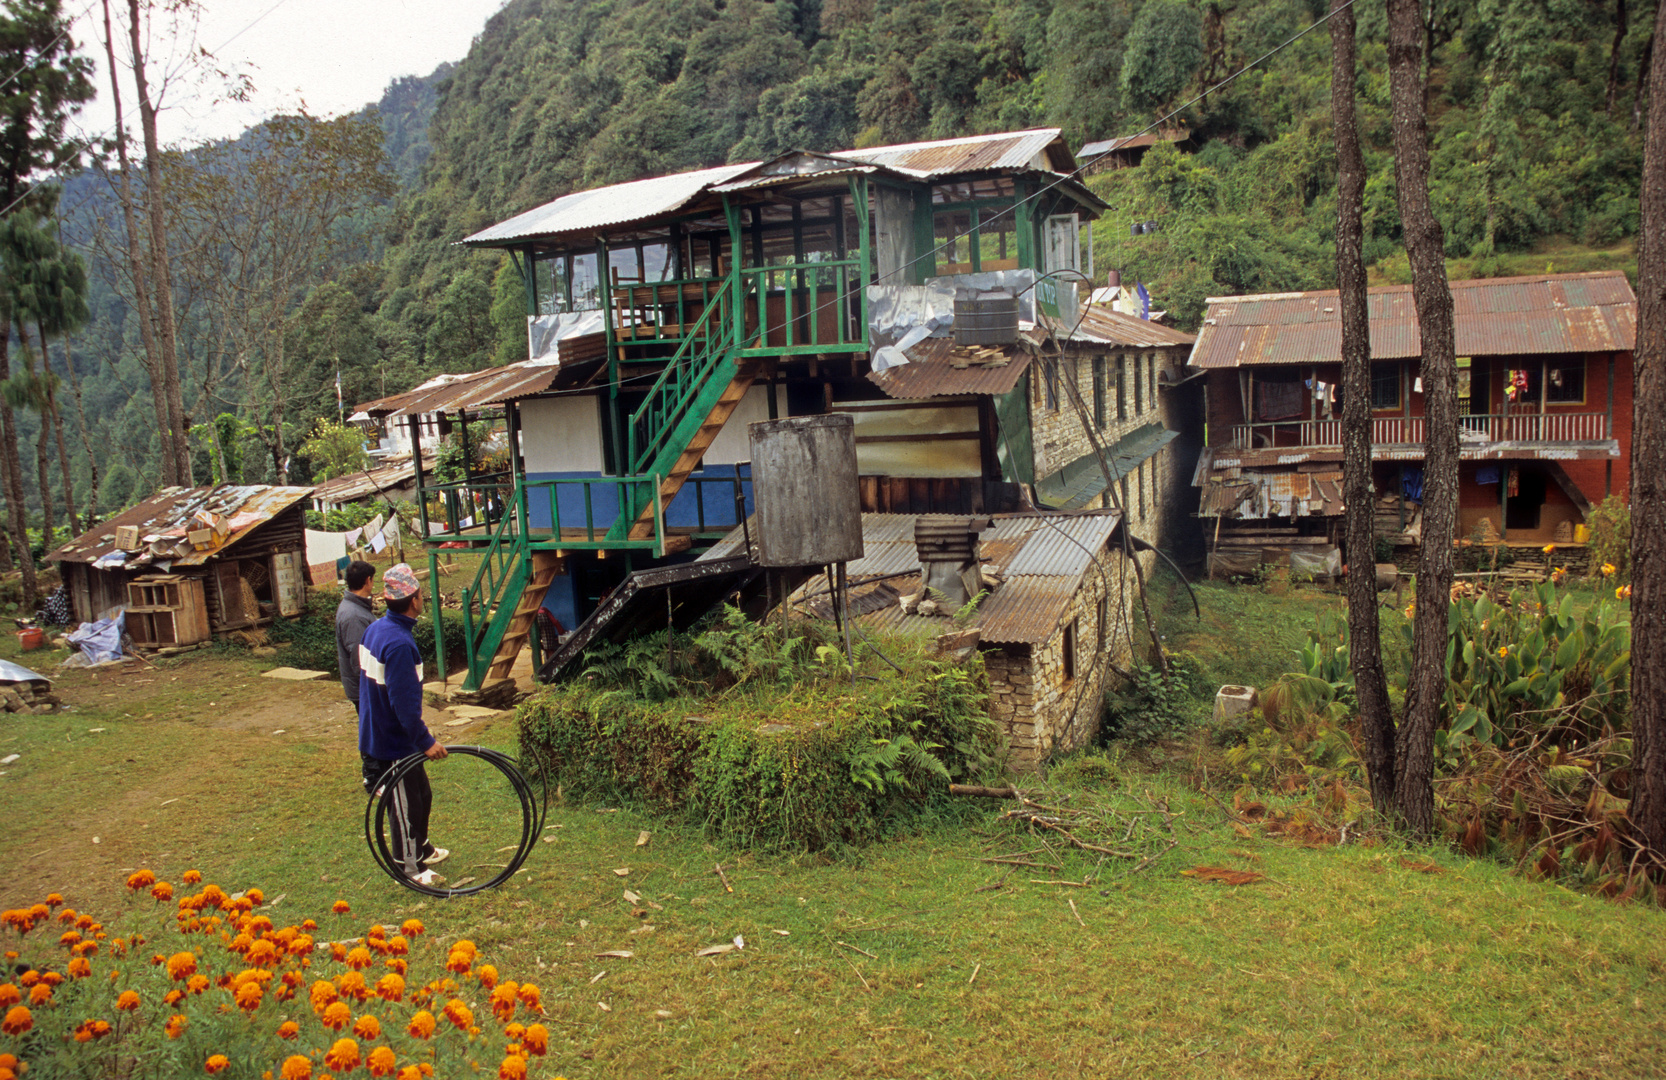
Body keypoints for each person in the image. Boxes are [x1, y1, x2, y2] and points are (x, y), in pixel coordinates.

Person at [357, 564, 449, 886]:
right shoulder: (398, 644)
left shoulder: (377, 628)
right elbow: (405, 708)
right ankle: (410, 869)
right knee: (406, 805)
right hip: (392, 741)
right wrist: (425, 741)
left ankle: (420, 847)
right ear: (413, 601)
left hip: (387, 733)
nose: (423, 598)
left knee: (421, 795)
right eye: (422, 594)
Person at [335, 561, 378, 726]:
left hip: (364, 687)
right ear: (368, 581)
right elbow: (359, 658)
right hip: (364, 689)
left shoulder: (355, 607)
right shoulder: (353, 615)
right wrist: (375, 688)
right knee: (374, 733)